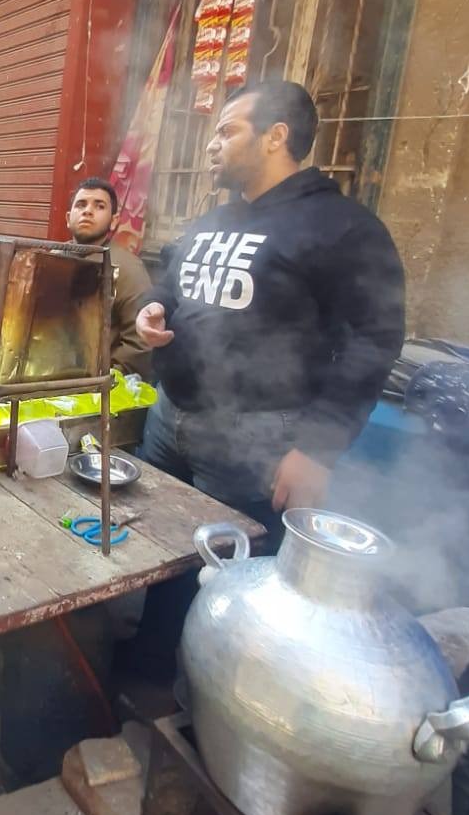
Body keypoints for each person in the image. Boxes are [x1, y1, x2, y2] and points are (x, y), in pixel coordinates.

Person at [128, 80, 405, 676]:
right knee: (161, 553)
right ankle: (147, 667)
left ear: (276, 136)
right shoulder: (215, 218)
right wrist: (152, 307)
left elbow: (374, 341)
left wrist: (318, 449)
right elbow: (171, 283)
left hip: (255, 437)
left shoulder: (341, 227)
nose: (212, 144)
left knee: (227, 579)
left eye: (227, 131)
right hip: (170, 416)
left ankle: (203, 695)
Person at [66, 177, 152, 376]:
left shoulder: (127, 269)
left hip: (97, 385)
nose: (88, 211)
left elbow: (140, 343)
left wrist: (105, 379)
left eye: (99, 206)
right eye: (81, 205)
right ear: (68, 218)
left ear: (114, 221)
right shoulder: (52, 258)